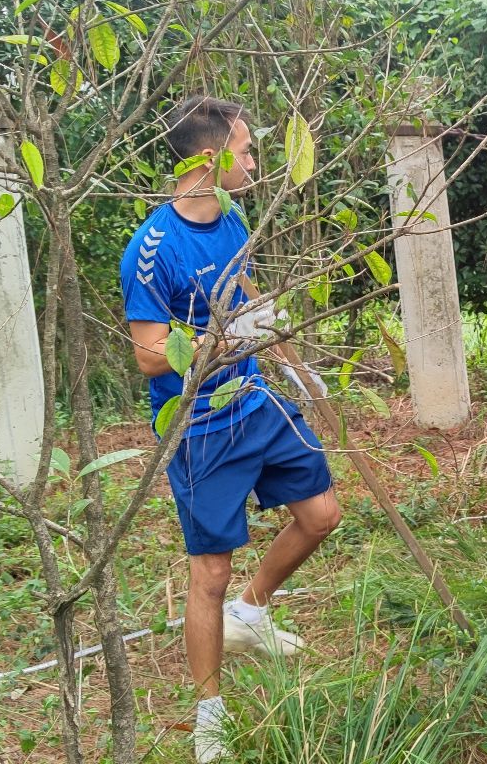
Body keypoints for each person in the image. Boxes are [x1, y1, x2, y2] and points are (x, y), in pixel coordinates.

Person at [119, 95, 342, 763]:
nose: (255, 162)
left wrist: (286, 357)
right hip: (202, 424)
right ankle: (210, 712)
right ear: (210, 159)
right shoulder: (151, 248)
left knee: (323, 514)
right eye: (247, 151)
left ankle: (255, 609)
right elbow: (147, 352)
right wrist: (215, 337)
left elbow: (245, 293)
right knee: (209, 571)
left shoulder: (237, 214)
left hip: (255, 398)